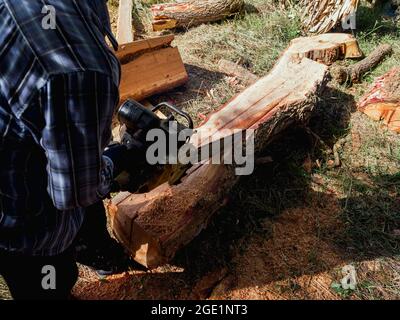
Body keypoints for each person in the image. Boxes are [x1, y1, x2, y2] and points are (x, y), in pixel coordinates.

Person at [0, 0, 137, 300]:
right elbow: (74, 193)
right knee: (49, 282)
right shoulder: (77, 72)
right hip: (20, 224)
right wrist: (119, 160)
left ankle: (93, 248)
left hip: (19, 148)